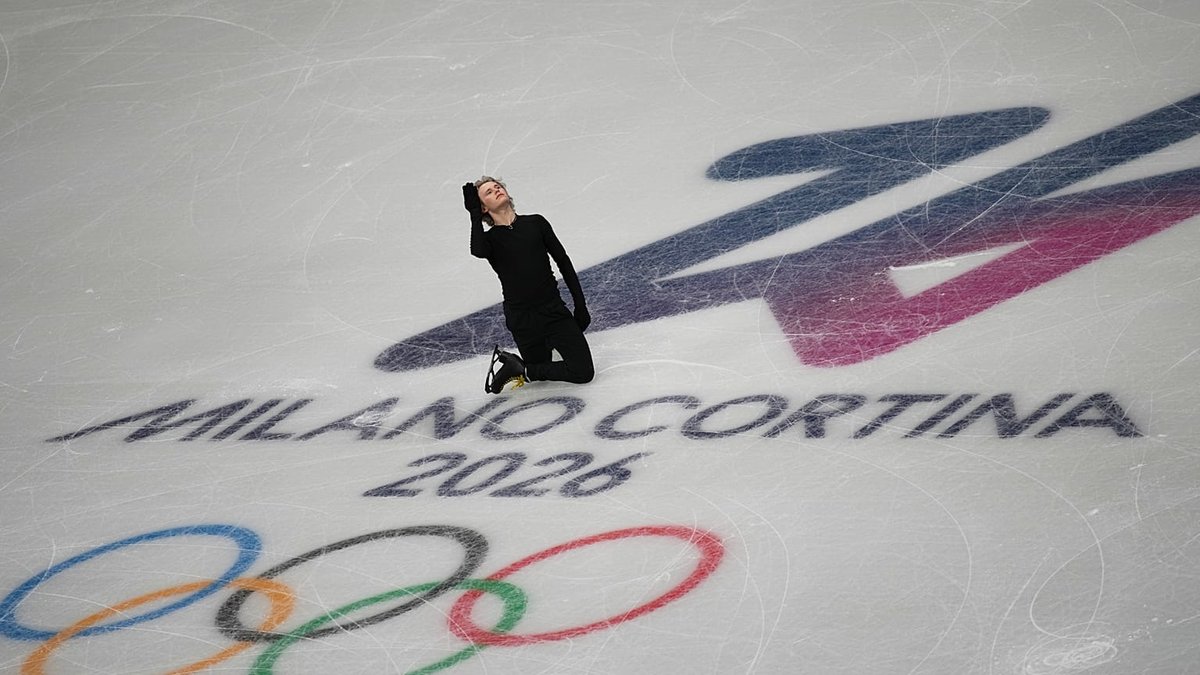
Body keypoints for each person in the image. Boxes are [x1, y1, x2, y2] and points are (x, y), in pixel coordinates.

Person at [462, 176, 594, 394]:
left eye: (498, 186)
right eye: (488, 192)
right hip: (522, 319)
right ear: (484, 207)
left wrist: (580, 305)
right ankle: (522, 366)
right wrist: (474, 216)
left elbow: (564, 263)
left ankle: (521, 368)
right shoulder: (491, 240)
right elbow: (478, 250)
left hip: (553, 311)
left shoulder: (536, 223)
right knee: (540, 361)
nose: (496, 190)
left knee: (583, 372)